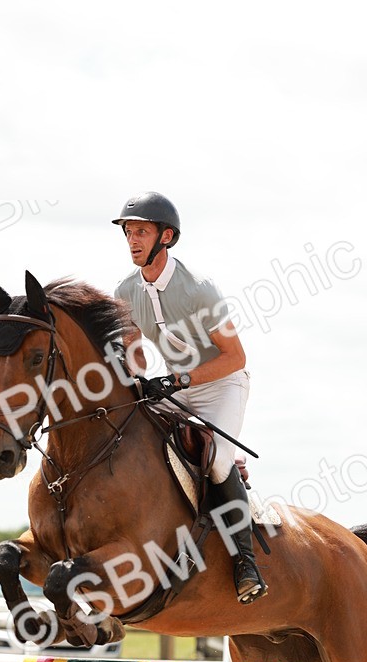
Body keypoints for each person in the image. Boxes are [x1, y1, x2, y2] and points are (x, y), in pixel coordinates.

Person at [113, 191, 267, 603]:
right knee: (128, 431)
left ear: (166, 237)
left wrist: (179, 379)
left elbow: (235, 357)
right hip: (175, 386)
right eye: (128, 232)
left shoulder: (199, 288)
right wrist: (134, 374)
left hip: (222, 384)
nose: (132, 240)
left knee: (216, 458)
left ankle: (245, 562)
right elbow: (133, 351)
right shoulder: (125, 292)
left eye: (141, 231)